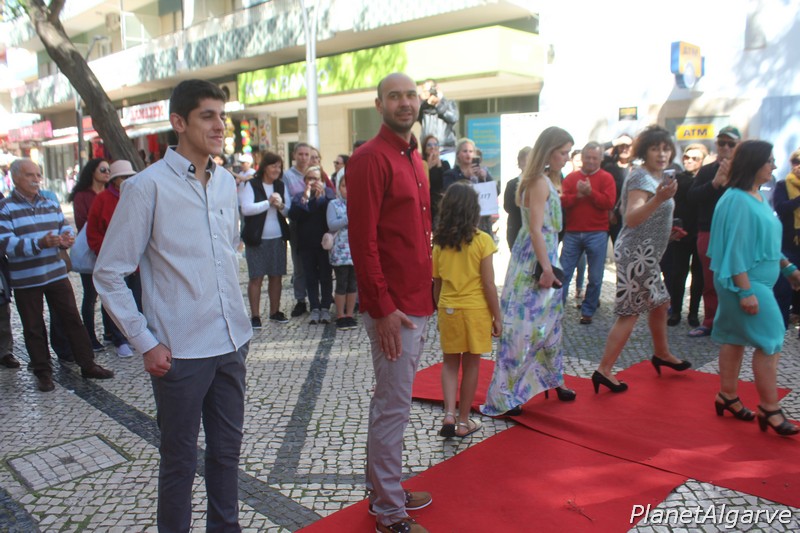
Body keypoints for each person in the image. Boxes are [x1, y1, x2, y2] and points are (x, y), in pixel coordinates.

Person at [93, 80, 252, 531]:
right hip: (179, 352)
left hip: (231, 342)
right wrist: (145, 341)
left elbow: (228, 249)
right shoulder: (146, 187)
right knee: (180, 462)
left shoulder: (225, 183)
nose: (220, 126)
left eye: (222, 116)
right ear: (178, 122)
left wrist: (241, 330)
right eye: (207, 116)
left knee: (226, 454)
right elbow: (109, 272)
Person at [348, 72, 435, 533]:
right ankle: (388, 512)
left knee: (392, 402)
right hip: (394, 308)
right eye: (394, 96)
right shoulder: (370, 159)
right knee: (393, 406)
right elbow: (362, 242)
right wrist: (381, 309)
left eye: (410, 95)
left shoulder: (412, 155)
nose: (405, 102)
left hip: (416, 301)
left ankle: (385, 490)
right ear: (379, 104)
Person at [480, 126, 576, 417]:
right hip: (535, 261)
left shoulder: (542, 179)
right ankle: (504, 395)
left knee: (549, 323)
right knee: (523, 328)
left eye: (568, 152)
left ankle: (552, 379)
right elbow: (535, 229)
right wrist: (546, 269)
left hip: (542, 256)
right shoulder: (538, 182)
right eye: (563, 152)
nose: (567, 158)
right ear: (549, 151)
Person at [708, 140, 799, 436]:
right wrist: (745, 291)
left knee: (734, 337)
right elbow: (735, 249)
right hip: (745, 282)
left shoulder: (756, 195)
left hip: (753, 280)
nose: (774, 165)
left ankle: (727, 396)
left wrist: (787, 267)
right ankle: (769, 408)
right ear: (754, 163)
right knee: (771, 339)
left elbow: (765, 242)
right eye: (769, 160)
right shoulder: (737, 199)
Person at [0, 158, 114, 392]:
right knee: (33, 326)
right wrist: (39, 243)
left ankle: (87, 364)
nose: (36, 180)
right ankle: (43, 372)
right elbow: (5, 243)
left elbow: (64, 226)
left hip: (55, 273)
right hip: (26, 279)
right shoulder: (6, 208)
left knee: (72, 318)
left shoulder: (50, 202)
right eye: (30, 175)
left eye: (38, 175)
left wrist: (66, 238)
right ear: (15, 178)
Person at [593, 125, 691, 393]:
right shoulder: (641, 177)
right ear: (644, 152)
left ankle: (662, 353)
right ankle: (604, 370)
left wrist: (668, 232)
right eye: (655, 148)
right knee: (630, 313)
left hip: (646, 253)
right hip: (636, 254)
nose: (662, 154)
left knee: (660, 303)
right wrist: (659, 198)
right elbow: (633, 218)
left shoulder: (658, 177)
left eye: (666, 149)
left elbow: (650, 219)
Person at [433, 182, 500, 438]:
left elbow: (437, 283)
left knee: (450, 364)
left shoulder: (439, 244)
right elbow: (488, 284)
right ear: (473, 210)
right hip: (475, 310)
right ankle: (463, 422)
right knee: (471, 366)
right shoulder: (483, 241)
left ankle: (449, 414)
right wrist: (497, 316)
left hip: (448, 308)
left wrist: (439, 311)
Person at [687, 126, 741, 337]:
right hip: (708, 230)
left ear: (737, 146)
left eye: (731, 144)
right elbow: (692, 197)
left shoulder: (743, 172)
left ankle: (734, 321)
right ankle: (710, 320)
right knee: (710, 280)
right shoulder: (707, 170)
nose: (725, 147)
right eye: (721, 143)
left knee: (737, 278)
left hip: (735, 232)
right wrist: (714, 184)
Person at [86, 160, 141, 358]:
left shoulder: (136, 196)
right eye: (124, 177)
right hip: (114, 259)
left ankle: (135, 336)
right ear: (115, 180)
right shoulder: (102, 199)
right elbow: (93, 231)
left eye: (130, 176)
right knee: (117, 300)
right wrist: (107, 252)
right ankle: (119, 339)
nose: (127, 180)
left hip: (136, 259)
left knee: (136, 299)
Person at [558, 142, 617, 325]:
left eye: (594, 158)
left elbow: (609, 203)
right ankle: (557, 311)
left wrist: (591, 193)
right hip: (573, 232)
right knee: (564, 273)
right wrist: (578, 196)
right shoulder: (571, 178)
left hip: (597, 232)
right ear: (582, 158)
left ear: (601, 159)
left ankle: (588, 311)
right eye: (588, 157)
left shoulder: (606, 178)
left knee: (595, 276)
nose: (591, 161)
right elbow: (562, 202)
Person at [239, 151, 291, 327]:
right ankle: (255, 316)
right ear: (265, 167)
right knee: (256, 277)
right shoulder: (252, 184)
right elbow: (246, 209)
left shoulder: (280, 185)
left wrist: (280, 205)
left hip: (278, 237)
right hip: (256, 238)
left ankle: (275, 311)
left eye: (279, 167)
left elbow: (288, 210)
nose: (277, 170)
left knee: (276, 276)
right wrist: (267, 203)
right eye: (273, 166)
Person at [68, 158, 110, 351]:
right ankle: (90, 337)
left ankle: (111, 333)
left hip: (109, 249)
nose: (107, 173)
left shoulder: (111, 193)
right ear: (92, 171)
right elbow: (83, 222)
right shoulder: (82, 195)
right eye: (103, 169)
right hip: (91, 251)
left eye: (109, 170)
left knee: (109, 294)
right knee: (91, 295)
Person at [665, 143, 708, 327]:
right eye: (687, 157)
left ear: (702, 161)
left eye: (694, 158)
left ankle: (693, 313)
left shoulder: (706, 179)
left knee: (698, 276)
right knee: (678, 274)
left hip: (700, 231)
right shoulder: (677, 177)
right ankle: (675, 311)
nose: (689, 161)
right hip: (680, 233)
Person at [289, 166, 334, 325]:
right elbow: (294, 215)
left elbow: (331, 212)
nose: (313, 182)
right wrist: (306, 198)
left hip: (324, 244)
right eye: (309, 178)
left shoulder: (328, 194)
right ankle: (314, 306)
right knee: (310, 277)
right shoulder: (299, 196)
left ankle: (326, 307)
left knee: (326, 276)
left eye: (316, 178)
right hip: (306, 244)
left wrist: (321, 198)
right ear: (304, 181)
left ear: (322, 180)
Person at [283, 142, 313, 317]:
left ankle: (318, 298)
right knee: (299, 264)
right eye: (300, 154)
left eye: (306, 154)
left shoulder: (315, 172)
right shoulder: (288, 176)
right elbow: (287, 203)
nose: (303, 158)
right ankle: (300, 299)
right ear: (294, 155)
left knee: (318, 264)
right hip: (297, 224)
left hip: (316, 222)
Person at [443, 138, 496, 236]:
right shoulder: (450, 175)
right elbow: (450, 195)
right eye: (465, 151)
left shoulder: (482, 172)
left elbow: (495, 192)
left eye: (471, 151)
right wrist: (465, 177)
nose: (468, 154)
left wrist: (486, 178)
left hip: (482, 223)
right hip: (459, 222)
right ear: (458, 154)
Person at [326, 173, 357, 331]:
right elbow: (331, 224)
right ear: (339, 187)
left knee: (353, 284)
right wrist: (347, 219)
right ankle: (340, 315)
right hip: (340, 251)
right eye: (344, 186)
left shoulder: (358, 203)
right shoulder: (334, 204)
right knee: (341, 283)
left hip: (355, 251)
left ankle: (350, 314)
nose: (347, 189)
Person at [772, 147, 800, 329]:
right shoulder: (783, 185)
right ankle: (781, 324)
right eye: (796, 162)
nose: (798, 166)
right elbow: (781, 207)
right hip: (789, 243)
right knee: (784, 287)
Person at [603, 134, 634, 244]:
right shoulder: (608, 166)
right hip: (610, 216)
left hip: (630, 216)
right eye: (621, 145)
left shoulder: (637, 168)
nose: (624, 149)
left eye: (628, 146)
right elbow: (595, 149)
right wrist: (615, 141)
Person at [417, 79, 458, 150]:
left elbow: (453, 118)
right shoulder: (423, 107)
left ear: (436, 89)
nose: (426, 93)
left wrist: (438, 104)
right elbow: (413, 117)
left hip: (445, 147)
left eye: (428, 91)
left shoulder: (449, 103)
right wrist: (419, 100)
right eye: (424, 91)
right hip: (428, 148)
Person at [503, 146, 531, 250]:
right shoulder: (512, 184)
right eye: (524, 160)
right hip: (517, 228)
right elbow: (507, 207)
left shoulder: (540, 183)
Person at [421, 134, 451, 225]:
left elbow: (445, 182)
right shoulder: (422, 164)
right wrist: (428, 167)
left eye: (435, 144)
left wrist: (439, 165)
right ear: (424, 148)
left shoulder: (445, 164)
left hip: (442, 202)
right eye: (429, 145)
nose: (432, 147)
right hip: (428, 201)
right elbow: (422, 183)